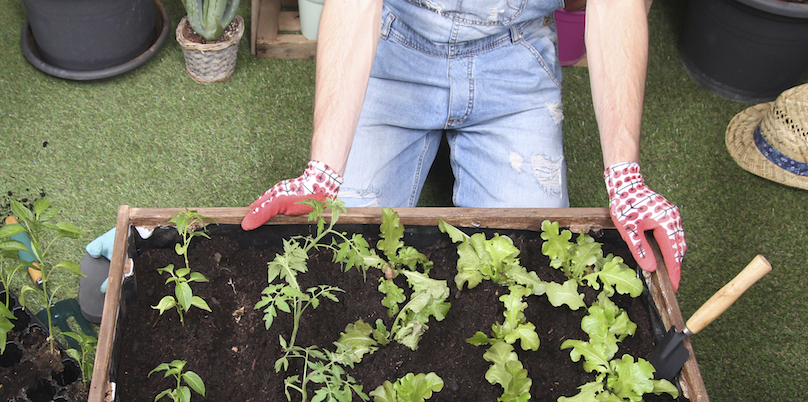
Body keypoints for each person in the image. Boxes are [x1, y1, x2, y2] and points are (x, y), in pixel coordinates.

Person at [240, 0, 686, 290]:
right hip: (393, 46)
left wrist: (625, 174)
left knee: (525, 275)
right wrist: (323, 168)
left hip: (514, 54)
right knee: (340, 264)